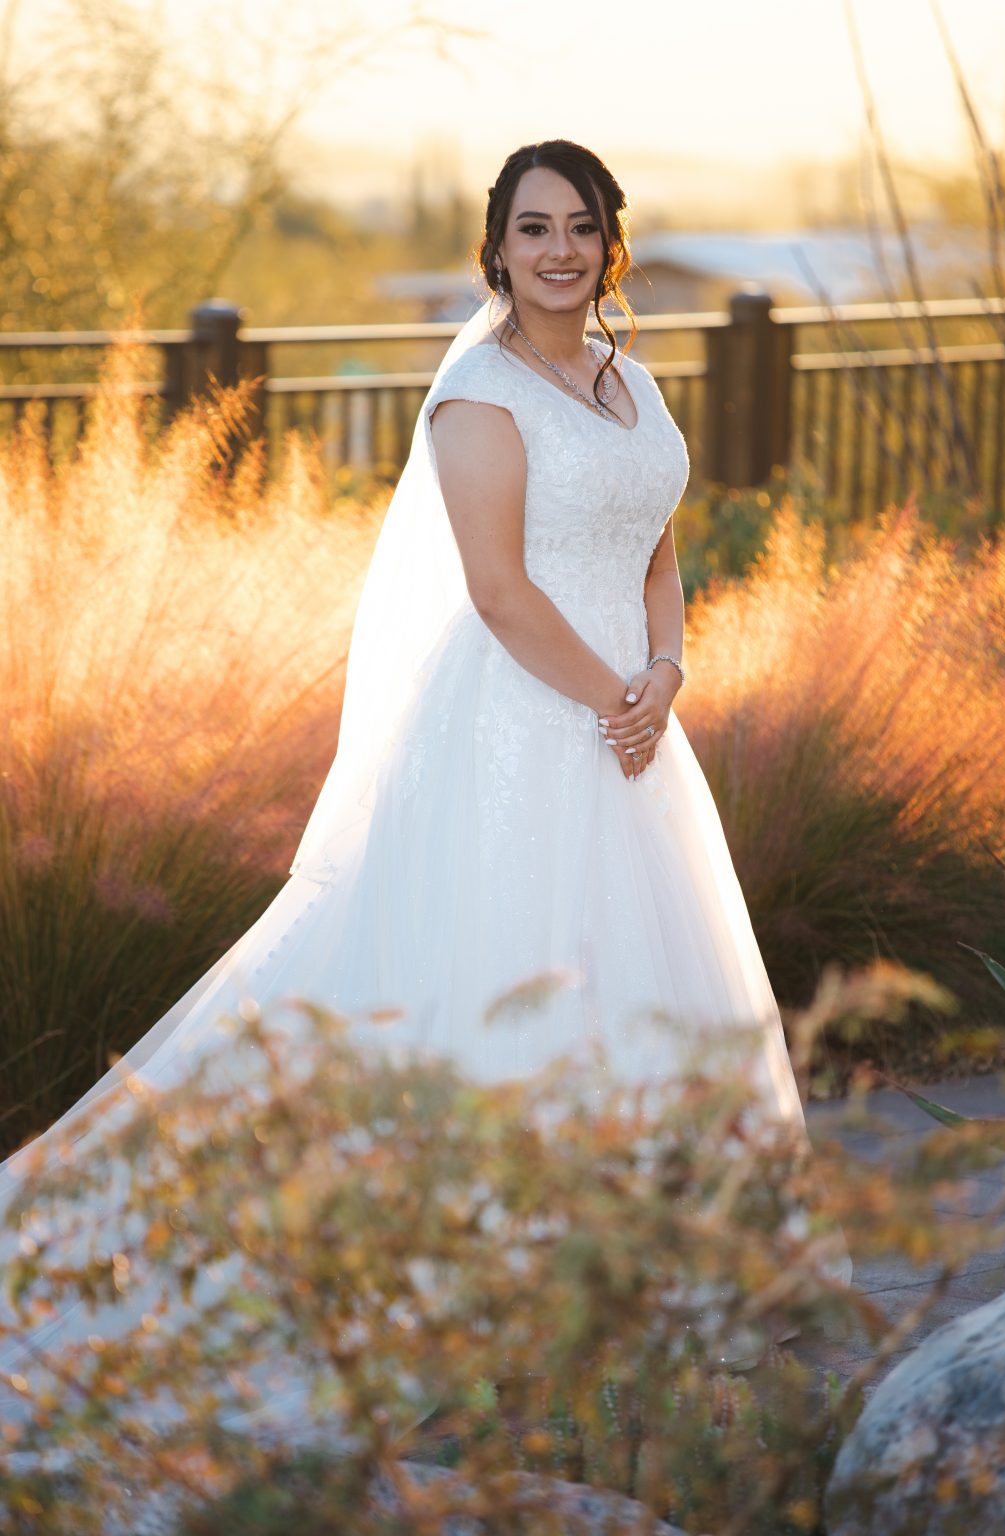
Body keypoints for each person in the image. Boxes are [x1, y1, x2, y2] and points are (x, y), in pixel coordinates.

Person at [0, 139, 852, 1469]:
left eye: (580, 225)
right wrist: (611, 699)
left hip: (630, 720)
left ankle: (632, 1271)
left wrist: (666, 670)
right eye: (531, 228)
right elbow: (503, 591)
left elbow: (659, 544)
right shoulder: (477, 394)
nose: (557, 249)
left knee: (630, 981)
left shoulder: (627, 380)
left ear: (609, 243)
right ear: (497, 249)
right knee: (503, 976)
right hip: (524, 724)